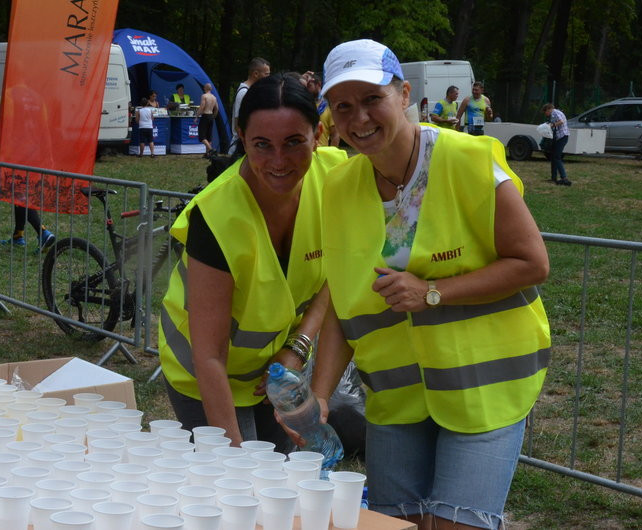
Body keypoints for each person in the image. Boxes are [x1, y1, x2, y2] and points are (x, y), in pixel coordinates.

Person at [297, 39, 551, 530]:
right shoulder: (338, 188)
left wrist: (433, 292)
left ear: (404, 94)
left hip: (485, 389)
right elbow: (343, 306)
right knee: (396, 525)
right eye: (342, 106)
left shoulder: (468, 160)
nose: (359, 118)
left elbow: (531, 262)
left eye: (372, 99)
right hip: (397, 397)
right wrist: (321, 395)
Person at [159, 73, 348, 451]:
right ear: (242, 138)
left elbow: (338, 275)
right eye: (262, 145)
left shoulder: (336, 179)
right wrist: (233, 465)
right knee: (237, 476)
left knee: (283, 469)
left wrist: (298, 346)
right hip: (205, 374)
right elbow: (209, 357)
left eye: (293, 142)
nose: (279, 161)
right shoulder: (217, 217)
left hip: (274, 369)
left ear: (317, 135)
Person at [227, 57, 271, 154]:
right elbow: (238, 123)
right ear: (256, 74)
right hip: (241, 149)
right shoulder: (244, 93)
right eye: (266, 74)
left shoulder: (252, 92)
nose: (268, 77)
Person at [303, 72, 340, 147]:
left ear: (318, 84)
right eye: (305, 87)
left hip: (322, 151)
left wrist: (331, 152)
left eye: (309, 85)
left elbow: (335, 135)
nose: (307, 89)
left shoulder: (328, 106)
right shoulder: (303, 106)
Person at [542, 103, 571, 186]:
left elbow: (561, 121)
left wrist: (552, 125)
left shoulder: (555, 113)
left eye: (545, 112)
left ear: (548, 109)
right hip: (559, 137)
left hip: (562, 137)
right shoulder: (554, 114)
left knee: (557, 157)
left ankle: (564, 178)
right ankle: (553, 178)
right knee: (553, 157)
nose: (546, 114)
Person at [196, 83, 219, 158]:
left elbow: (202, 107)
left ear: (205, 88)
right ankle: (207, 154)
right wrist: (214, 116)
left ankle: (211, 150)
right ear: (211, 89)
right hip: (211, 116)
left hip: (205, 115)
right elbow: (217, 108)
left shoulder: (204, 96)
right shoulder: (214, 97)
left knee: (202, 136)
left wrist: (197, 116)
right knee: (209, 136)